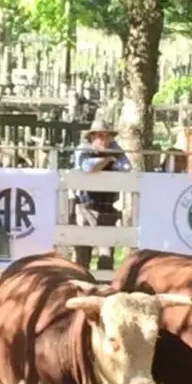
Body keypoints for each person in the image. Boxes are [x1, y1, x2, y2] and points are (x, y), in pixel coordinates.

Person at [71, 118, 130, 275]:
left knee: (107, 257)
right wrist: (109, 159)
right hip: (85, 208)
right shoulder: (83, 150)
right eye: (100, 136)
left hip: (107, 209)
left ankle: (103, 291)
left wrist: (111, 156)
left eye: (107, 136)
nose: (104, 140)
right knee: (82, 258)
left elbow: (125, 167)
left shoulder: (115, 149)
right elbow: (87, 167)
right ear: (92, 137)